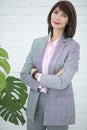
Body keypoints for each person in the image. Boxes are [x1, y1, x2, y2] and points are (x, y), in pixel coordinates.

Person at [20, 0, 80, 130]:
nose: (57, 17)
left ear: (69, 21)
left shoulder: (72, 47)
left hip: (58, 106)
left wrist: (36, 74)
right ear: (50, 14)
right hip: (35, 103)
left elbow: (62, 82)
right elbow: (24, 74)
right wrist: (45, 82)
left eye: (64, 15)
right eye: (56, 12)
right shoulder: (37, 42)